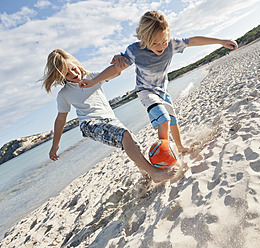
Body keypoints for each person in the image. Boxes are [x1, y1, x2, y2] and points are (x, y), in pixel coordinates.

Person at [80, 10, 238, 153]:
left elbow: (194, 41)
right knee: (164, 118)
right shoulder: (135, 51)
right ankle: (165, 153)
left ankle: (180, 146)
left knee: (173, 120)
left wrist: (220, 41)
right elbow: (116, 69)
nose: (161, 46)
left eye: (164, 40)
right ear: (144, 39)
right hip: (146, 92)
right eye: (155, 43)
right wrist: (94, 81)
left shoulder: (171, 44)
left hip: (163, 90)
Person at [40, 48, 178, 183]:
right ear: (61, 77)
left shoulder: (93, 77)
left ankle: (146, 178)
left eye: (73, 69)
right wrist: (55, 145)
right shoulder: (64, 94)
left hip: (111, 120)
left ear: (77, 65)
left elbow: (115, 72)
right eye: (67, 73)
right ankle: (154, 173)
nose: (73, 73)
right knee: (124, 135)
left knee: (133, 144)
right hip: (89, 124)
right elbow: (60, 119)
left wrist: (118, 61)